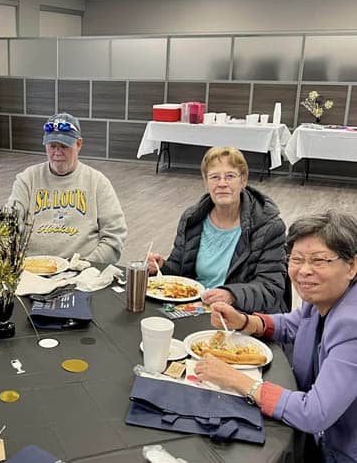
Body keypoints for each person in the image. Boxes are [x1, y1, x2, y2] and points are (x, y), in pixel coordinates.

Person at [195, 211, 357, 463]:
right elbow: (295, 324)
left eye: (318, 261)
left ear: (352, 266)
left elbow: (314, 413)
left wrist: (237, 380)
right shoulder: (326, 298)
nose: (304, 271)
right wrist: (245, 321)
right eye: (296, 259)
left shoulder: (352, 325)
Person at [148, 146, 287, 313]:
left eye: (230, 176)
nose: (222, 184)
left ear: (243, 180)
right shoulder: (192, 218)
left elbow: (271, 287)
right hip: (196, 307)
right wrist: (161, 268)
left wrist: (231, 295)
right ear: (206, 182)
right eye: (214, 177)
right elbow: (180, 269)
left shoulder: (268, 226)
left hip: (243, 314)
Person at [8, 113, 127, 264]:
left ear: (79, 144)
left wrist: (87, 266)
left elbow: (114, 236)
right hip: (32, 269)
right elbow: (9, 225)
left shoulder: (98, 182)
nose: (57, 153)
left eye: (64, 146)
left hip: (83, 272)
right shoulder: (27, 179)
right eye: (52, 146)